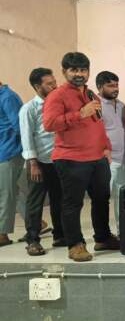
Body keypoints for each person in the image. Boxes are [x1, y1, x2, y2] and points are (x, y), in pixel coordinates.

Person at [43, 52, 119, 261]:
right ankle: (75, 244)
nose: (79, 74)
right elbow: (49, 124)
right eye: (74, 70)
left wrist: (106, 147)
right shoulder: (57, 95)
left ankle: (103, 238)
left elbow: (98, 124)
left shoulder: (91, 94)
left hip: (98, 158)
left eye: (83, 70)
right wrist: (80, 114)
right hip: (71, 158)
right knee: (73, 203)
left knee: (102, 199)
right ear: (64, 71)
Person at [19, 69, 64, 255]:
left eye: (54, 82)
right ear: (38, 86)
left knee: (59, 200)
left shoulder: (58, 104)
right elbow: (27, 137)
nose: (55, 86)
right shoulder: (29, 109)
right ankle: (32, 240)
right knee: (35, 203)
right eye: (49, 84)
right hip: (38, 163)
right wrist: (33, 163)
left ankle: (60, 235)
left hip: (58, 160)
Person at [96, 71, 125, 231]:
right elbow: (95, 133)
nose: (115, 89)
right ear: (99, 87)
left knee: (123, 196)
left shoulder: (122, 105)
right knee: (103, 198)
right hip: (106, 159)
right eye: (110, 86)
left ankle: (123, 230)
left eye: (116, 85)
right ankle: (103, 234)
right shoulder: (95, 105)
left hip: (123, 158)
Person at [0, 79, 23, 248]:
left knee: (6, 193)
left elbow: (20, 126)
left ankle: (2, 233)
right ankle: (36, 223)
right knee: (14, 191)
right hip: (3, 150)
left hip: (9, 151)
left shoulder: (8, 97)